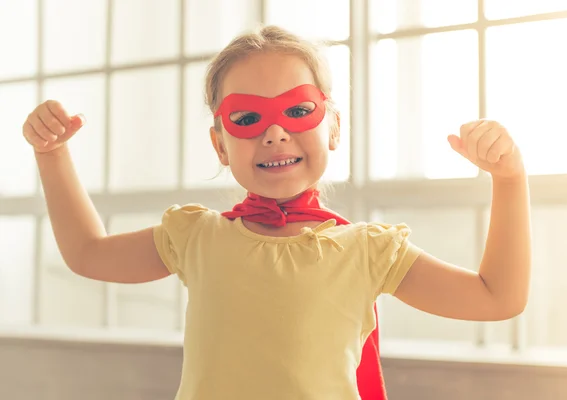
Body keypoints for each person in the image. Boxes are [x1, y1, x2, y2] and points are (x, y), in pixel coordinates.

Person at [22, 25, 531, 400]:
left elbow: (496, 297)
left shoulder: (369, 250)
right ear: (220, 145)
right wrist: (51, 154)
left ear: (332, 128)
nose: (274, 132)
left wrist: (509, 181)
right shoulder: (195, 236)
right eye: (246, 117)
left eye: (297, 110)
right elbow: (88, 254)